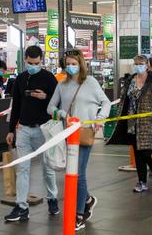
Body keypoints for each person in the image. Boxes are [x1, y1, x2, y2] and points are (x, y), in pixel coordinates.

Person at [47, 50, 110, 231]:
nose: (70, 67)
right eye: (68, 63)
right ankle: (88, 199)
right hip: (67, 134)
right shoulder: (62, 84)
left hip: (84, 133)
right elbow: (50, 106)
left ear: (81, 64)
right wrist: (63, 114)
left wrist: (100, 118)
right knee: (71, 171)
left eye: (74, 63)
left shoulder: (90, 82)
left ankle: (79, 213)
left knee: (78, 172)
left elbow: (105, 102)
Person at [4, 45, 59, 222]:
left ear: (41, 60)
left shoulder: (49, 78)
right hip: (24, 130)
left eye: (36, 63)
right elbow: (16, 106)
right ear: (25, 59)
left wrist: (46, 98)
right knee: (23, 169)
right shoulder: (20, 78)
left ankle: (52, 199)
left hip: (44, 129)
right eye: (30, 63)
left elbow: (59, 103)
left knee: (47, 168)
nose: (33, 66)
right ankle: (21, 206)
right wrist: (11, 130)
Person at [107, 55, 152, 193]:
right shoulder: (130, 80)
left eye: (141, 63)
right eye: (136, 63)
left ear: (147, 65)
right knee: (137, 153)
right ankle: (142, 181)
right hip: (132, 122)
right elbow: (124, 99)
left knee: (147, 152)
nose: (138, 66)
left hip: (149, 123)